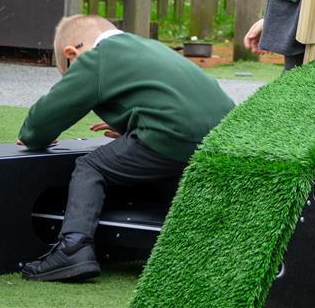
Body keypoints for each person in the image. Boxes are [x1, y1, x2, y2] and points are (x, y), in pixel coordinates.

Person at [18, 14, 234, 282]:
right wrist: (133, 123)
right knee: (165, 170)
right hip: (223, 136)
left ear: (72, 53)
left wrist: (32, 136)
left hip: (169, 134)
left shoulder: (94, 59)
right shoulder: (148, 46)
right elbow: (169, 95)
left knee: (91, 166)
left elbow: (41, 123)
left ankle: (73, 247)